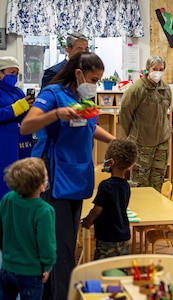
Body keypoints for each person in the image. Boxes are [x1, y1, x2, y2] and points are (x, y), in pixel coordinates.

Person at [20, 51, 115, 300]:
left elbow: (93, 128)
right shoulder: (52, 94)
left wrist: (117, 143)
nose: (95, 85)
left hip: (77, 173)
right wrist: (56, 114)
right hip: (53, 174)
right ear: (78, 73)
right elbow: (26, 126)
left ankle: (59, 292)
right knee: (59, 244)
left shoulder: (84, 100)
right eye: (93, 79)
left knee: (68, 241)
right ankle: (60, 294)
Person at [0, 157, 56, 300]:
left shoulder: (8, 199)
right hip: (31, 273)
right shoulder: (44, 210)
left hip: (7, 267)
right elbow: (46, 244)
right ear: (41, 186)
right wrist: (47, 266)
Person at [119, 55, 172, 192]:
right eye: (155, 69)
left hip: (161, 141)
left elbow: (165, 110)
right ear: (148, 69)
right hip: (141, 143)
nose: (158, 72)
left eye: (161, 69)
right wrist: (133, 134)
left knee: (157, 180)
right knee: (139, 182)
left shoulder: (165, 89)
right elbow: (125, 114)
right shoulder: (136, 89)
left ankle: (155, 212)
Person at [82, 139, 138, 260]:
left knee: (102, 268)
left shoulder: (106, 186)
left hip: (107, 236)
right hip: (124, 235)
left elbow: (97, 210)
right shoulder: (126, 185)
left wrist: (87, 221)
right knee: (120, 266)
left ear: (111, 161)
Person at [0, 56, 35, 199]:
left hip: (23, 142)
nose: (14, 76)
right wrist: (15, 108)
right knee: (5, 183)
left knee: (23, 180)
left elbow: (25, 112)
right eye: (11, 72)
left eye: (16, 73)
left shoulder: (17, 92)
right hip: (4, 145)